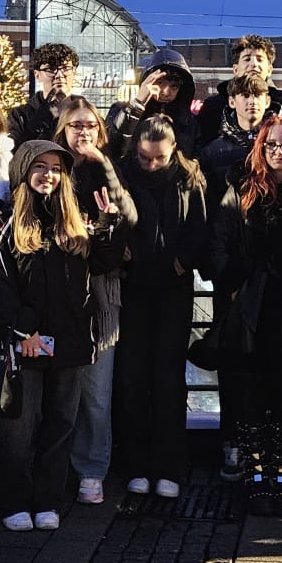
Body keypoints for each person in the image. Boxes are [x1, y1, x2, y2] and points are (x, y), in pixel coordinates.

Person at [0, 140, 127, 530]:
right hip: (26, 342)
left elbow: (103, 263)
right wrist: (20, 329)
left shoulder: (75, 220)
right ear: (24, 172)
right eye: (40, 167)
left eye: (56, 168)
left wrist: (110, 225)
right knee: (18, 426)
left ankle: (48, 499)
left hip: (71, 340)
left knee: (61, 425)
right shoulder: (5, 222)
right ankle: (14, 500)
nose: (48, 175)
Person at [209, 118, 282, 514]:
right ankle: (257, 477)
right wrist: (234, 281)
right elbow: (218, 243)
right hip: (251, 306)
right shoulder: (241, 187)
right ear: (260, 147)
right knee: (252, 394)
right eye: (270, 144)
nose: (277, 151)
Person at [114, 116, 212, 498]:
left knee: (169, 378)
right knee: (132, 376)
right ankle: (136, 463)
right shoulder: (123, 174)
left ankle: (169, 464)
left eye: (158, 158)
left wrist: (182, 261)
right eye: (144, 158)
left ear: (173, 151)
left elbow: (200, 226)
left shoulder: (189, 178)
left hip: (172, 286)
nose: (151, 164)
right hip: (133, 283)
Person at [53, 95, 137, 506]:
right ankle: (55, 467)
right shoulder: (51, 169)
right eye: (76, 125)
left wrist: (101, 162)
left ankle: (91, 469)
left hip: (102, 293)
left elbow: (127, 217)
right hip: (56, 294)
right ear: (62, 129)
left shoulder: (109, 170)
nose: (83, 132)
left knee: (96, 392)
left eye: (90, 125)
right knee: (59, 390)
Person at [195, 34, 282, 150]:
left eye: (260, 59)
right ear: (235, 69)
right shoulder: (214, 105)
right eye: (247, 59)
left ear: (270, 70)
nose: (254, 64)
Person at [108, 47, 199, 159]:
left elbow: (194, 161)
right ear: (148, 81)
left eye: (174, 86)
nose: (166, 92)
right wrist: (137, 105)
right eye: (159, 83)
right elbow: (113, 149)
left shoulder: (190, 123)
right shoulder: (122, 111)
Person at [198, 74, 273, 205]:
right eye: (245, 95)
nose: (252, 101)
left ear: (267, 101)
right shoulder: (213, 152)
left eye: (257, 95)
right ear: (232, 102)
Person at [9, 43, 81, 145]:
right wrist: (35, 126)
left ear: (74, 71)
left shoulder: (88, 113)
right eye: (51, 69)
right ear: (37, 75)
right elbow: (12, 155)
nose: (59, 75)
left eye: (65, 68)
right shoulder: (20, 116)